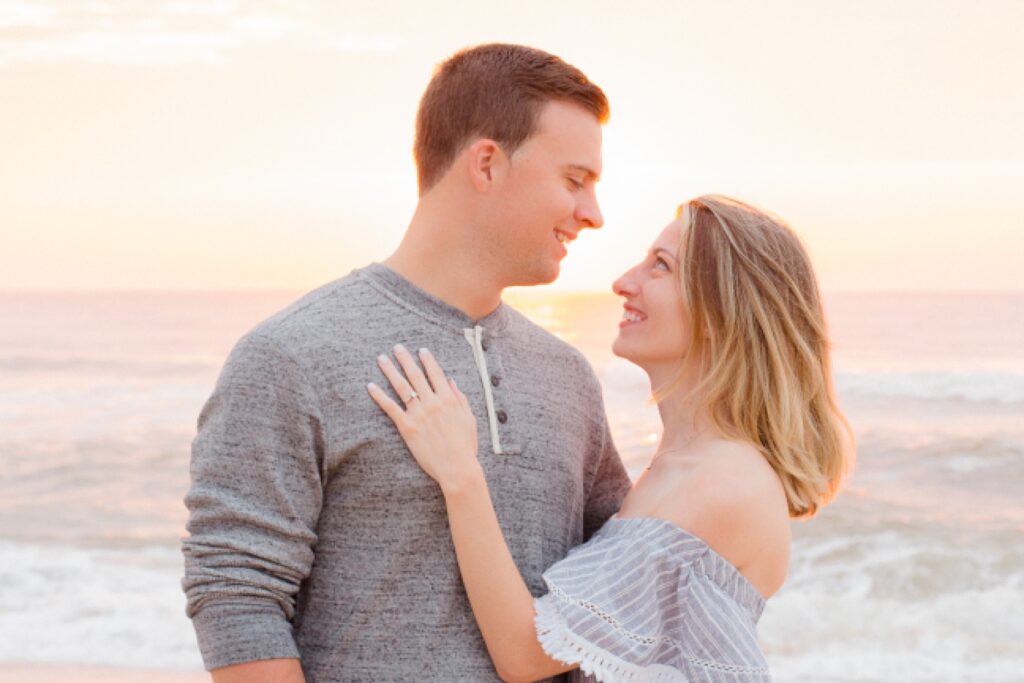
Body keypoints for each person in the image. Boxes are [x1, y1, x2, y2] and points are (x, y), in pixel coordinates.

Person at [181, 44, 632, 683]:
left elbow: (624, 574)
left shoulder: (568, 376)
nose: (593, 214)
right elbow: (237, 593)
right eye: (574, 180)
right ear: (486, 164)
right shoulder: (291, 356)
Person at [368, 195, 855, 682]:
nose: (624, 283)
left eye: (659, 266)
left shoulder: (724, 484)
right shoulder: (679, 468)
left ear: (722, 312)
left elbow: (525, 653)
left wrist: (459, 473)